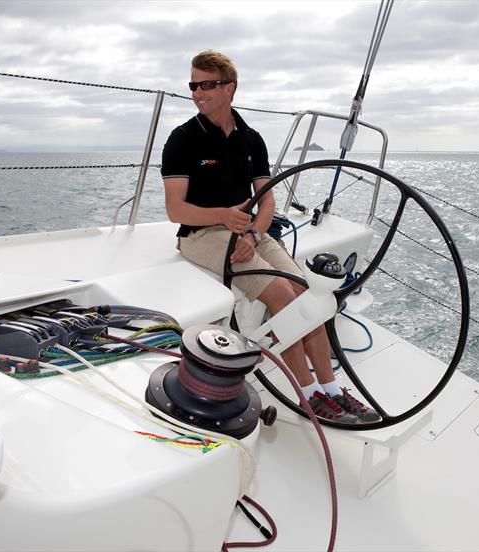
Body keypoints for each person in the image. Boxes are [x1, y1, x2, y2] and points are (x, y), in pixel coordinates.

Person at [161, 50, 380, 423]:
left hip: (248, 231)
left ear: (230, 87)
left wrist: (254, 233)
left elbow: (267, 200)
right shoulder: (183, 139)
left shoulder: (251, 139)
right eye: (193, 85)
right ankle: (310, 395)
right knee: (283, 296)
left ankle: (331, 389)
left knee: (310, 294)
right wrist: (224, 217)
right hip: (203, 234)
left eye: (207, 85)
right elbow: (175, 211)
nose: (197, 93)